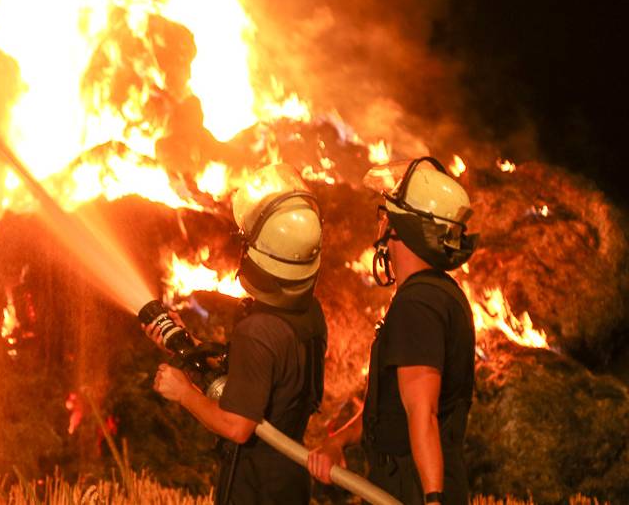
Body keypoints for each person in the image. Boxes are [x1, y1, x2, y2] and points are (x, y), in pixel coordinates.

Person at [151, 164, 327, 505]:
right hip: (290, 479)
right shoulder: (309, 313)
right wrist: (195, 348)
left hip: (254, 486)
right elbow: (267, 374)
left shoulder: (257, 330)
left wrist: (183, 392)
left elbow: (237, 426)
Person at [307, 157, 477, 505]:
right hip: (404, 483)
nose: (381, 224)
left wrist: (431, 498)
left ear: (405, 229)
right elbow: (392, 410)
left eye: (387, 216)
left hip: (413, 489)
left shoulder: (418, 307)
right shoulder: (436, 295)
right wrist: (337, 440)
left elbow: (422, 413)